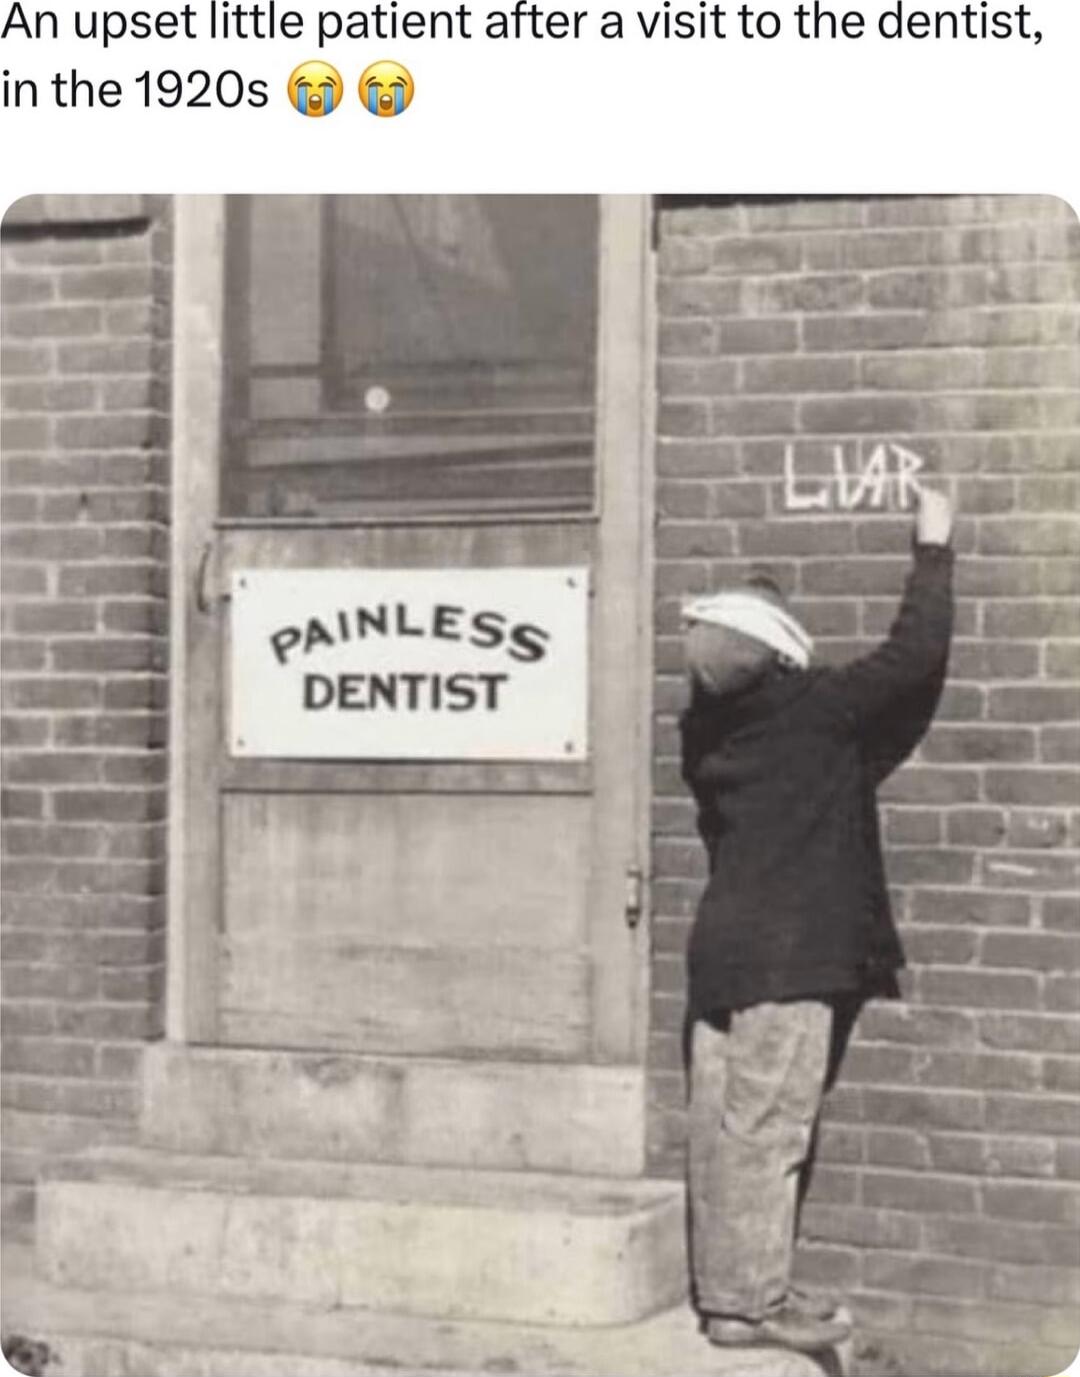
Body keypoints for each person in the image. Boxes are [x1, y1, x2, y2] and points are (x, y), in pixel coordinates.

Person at [679, 487, 955, 1355]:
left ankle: (725, 1285)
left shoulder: (705, 733)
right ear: (782, 654)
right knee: (769, 1125)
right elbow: (913, 657)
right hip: (793, 956)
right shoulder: (820, 712)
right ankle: (748, 1306)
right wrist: (933, 552)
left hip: (721, 949)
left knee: (720, 1124)